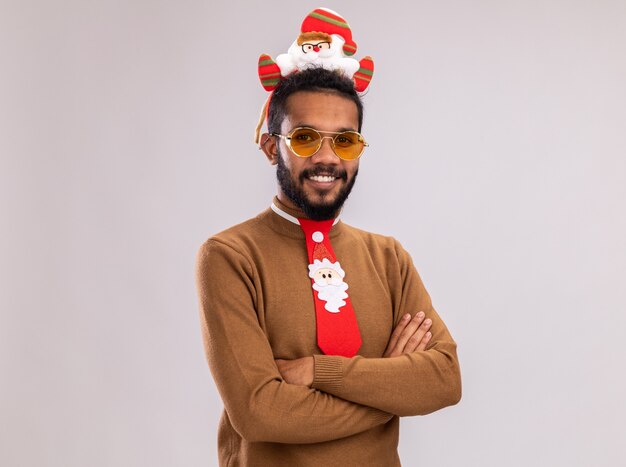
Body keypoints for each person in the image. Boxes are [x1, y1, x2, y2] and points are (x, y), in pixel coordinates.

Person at [195, 9, 461, 467]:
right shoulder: (230, 256)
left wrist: (321, 372)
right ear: (269, 147)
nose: (326, 158)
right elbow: (260, 414)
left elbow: (444, 380)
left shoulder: (389, 257)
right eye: (303, 138)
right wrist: (389, 387)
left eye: (345, 141)